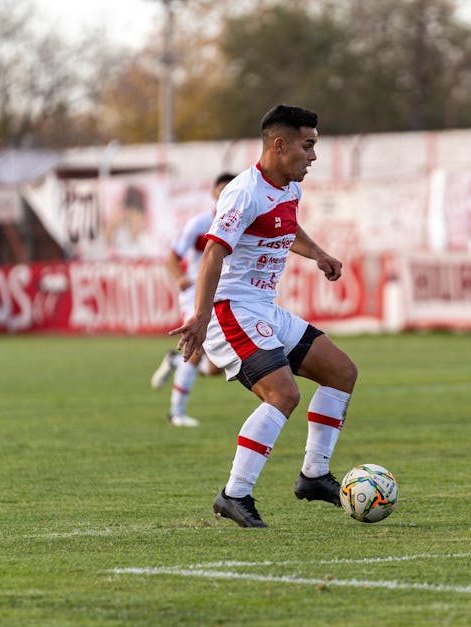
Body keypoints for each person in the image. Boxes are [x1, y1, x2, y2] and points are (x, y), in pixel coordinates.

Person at [169, 104, 358, 528]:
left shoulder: (290, 187)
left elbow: (286, 230)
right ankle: (234, 494)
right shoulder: (242, 192)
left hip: (264, 311)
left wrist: (319, 254)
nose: (313, 156)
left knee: (342, 371)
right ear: (280, 144)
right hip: (229, 311)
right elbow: (214, 252)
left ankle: (314, 475)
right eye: (307, 146)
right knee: (283, 395)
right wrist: (200, 317)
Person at [150, 173, 235, 427]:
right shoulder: (200, 224)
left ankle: (174, 362)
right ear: (214, 194)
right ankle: (176, 413)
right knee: (196, 350)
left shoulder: (241, 224)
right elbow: (172, 257)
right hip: (195, 296)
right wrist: (179, 278)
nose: (226, 194)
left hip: (222, 296)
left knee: (217, 368)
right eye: (222, 190)